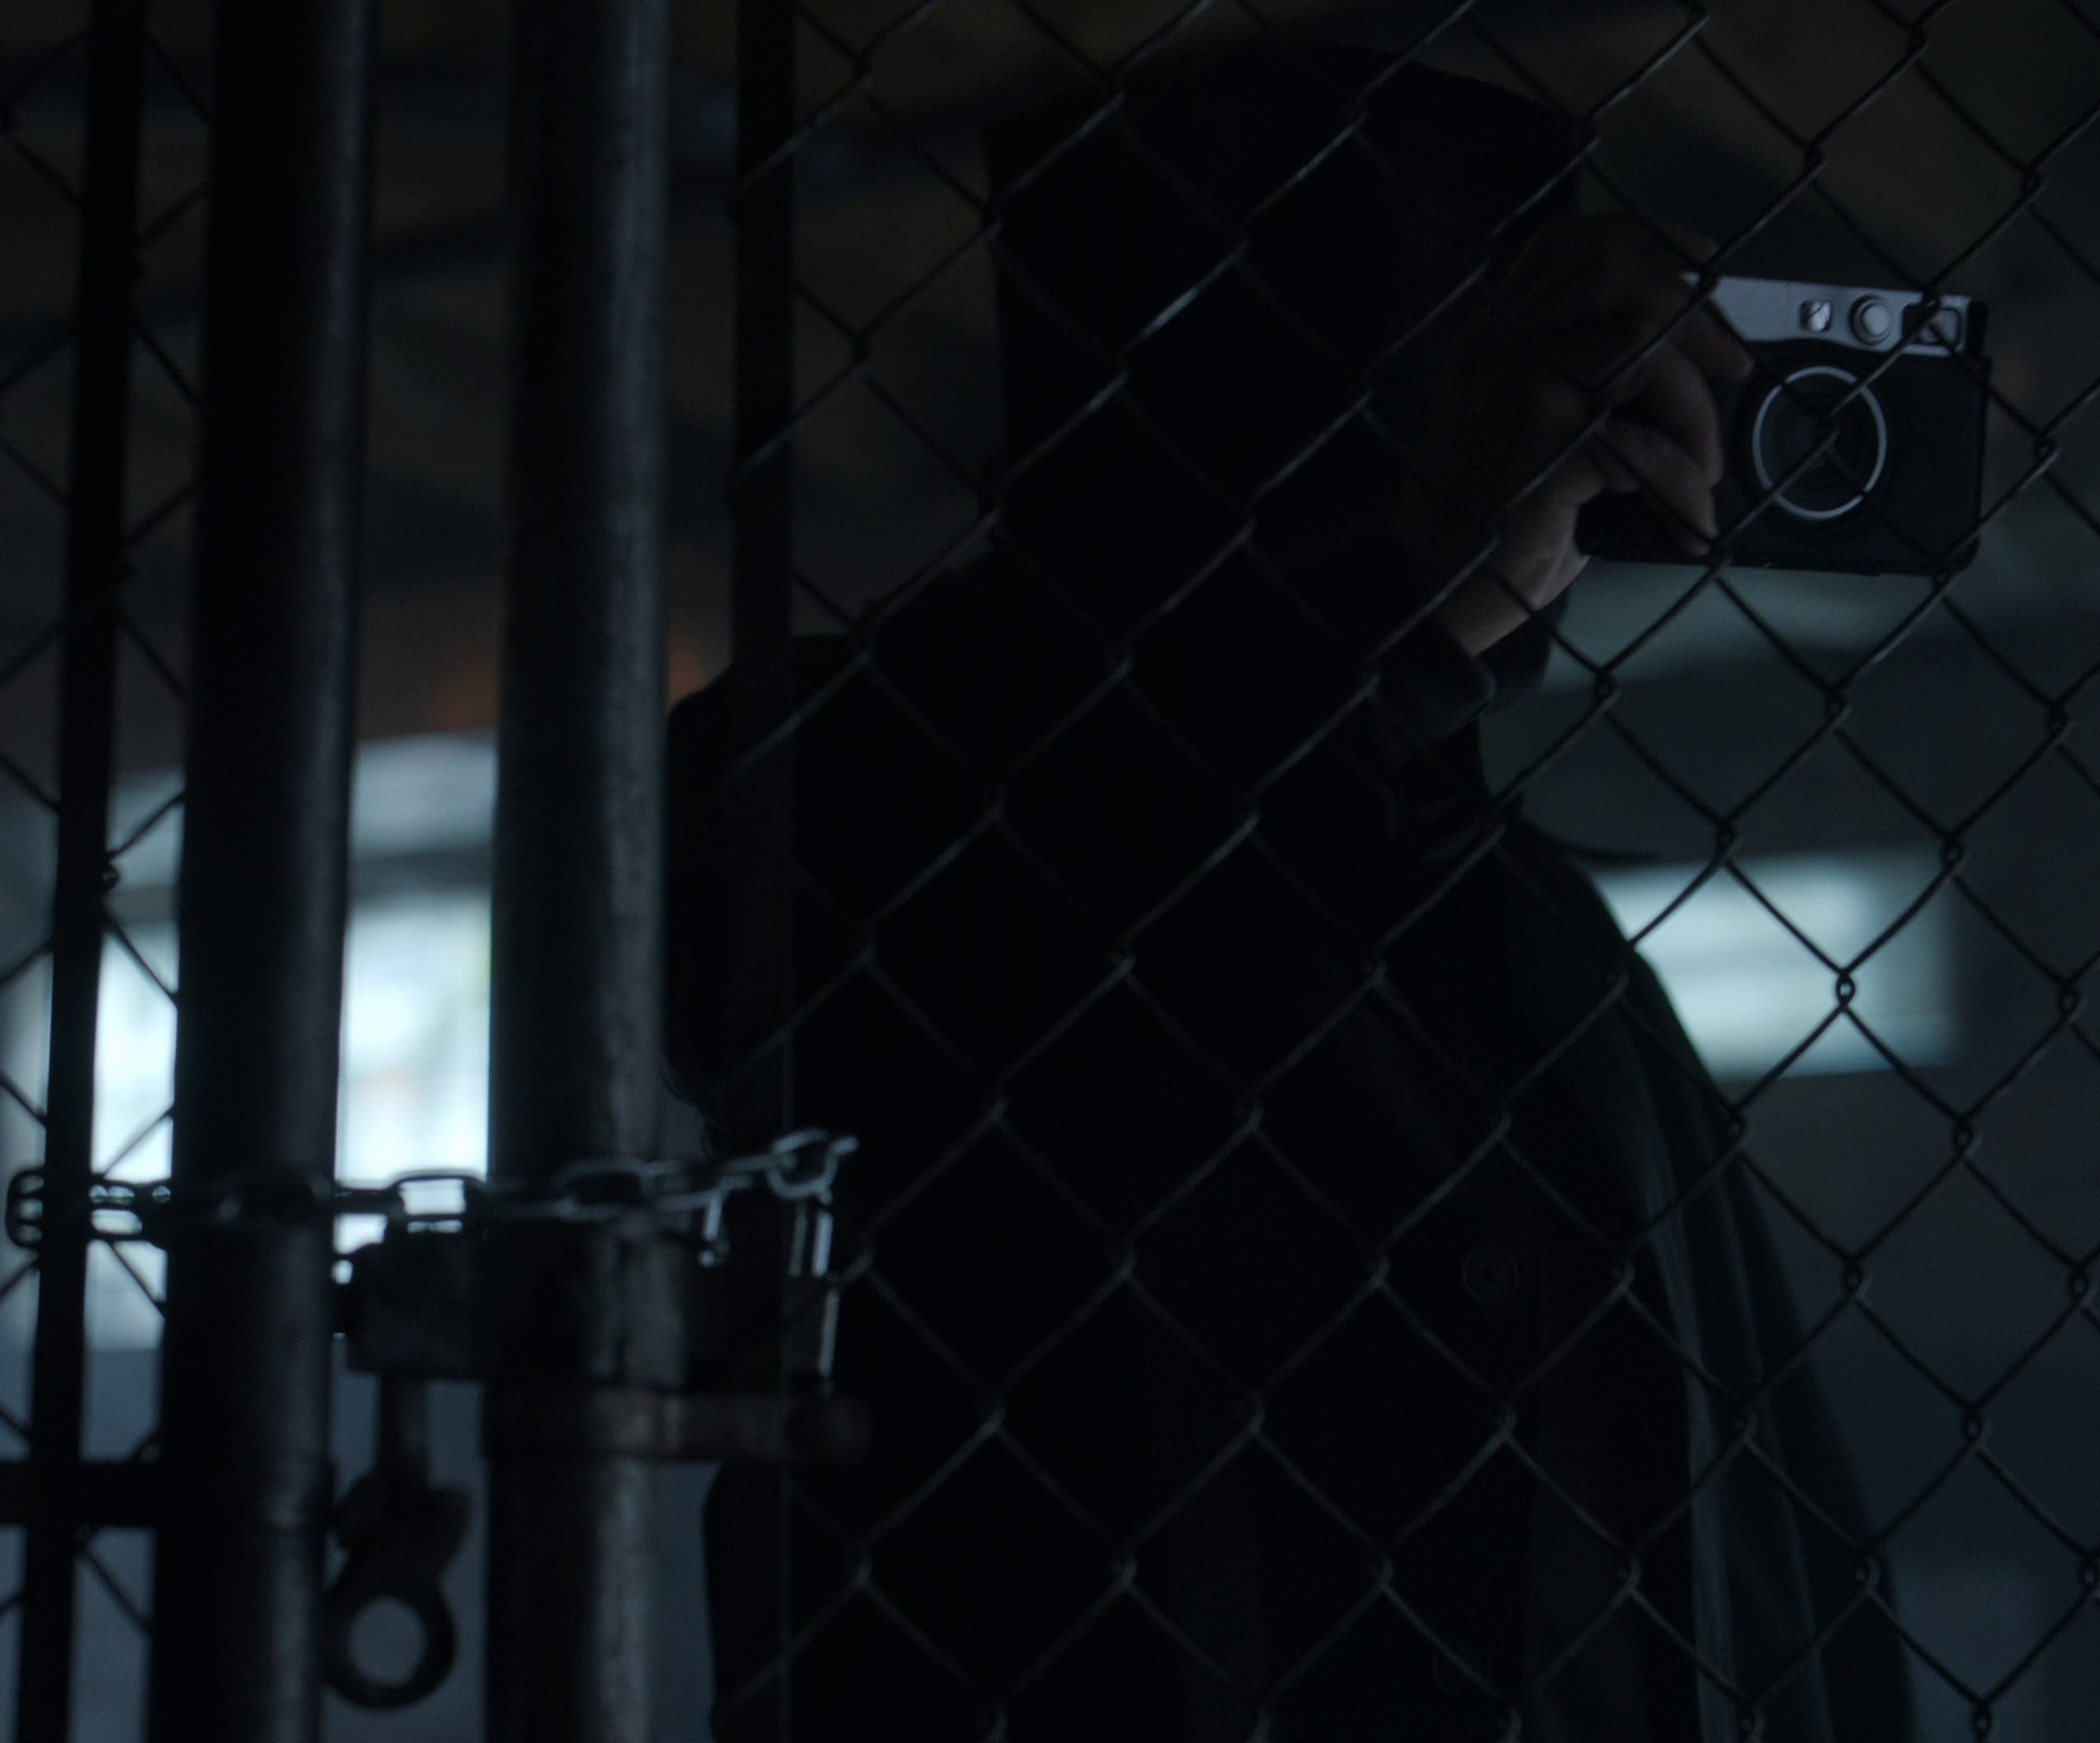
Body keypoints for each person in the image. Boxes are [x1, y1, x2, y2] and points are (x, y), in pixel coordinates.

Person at [667, 41, 1914, 1743]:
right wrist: (1410, 604)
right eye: (1467, 376)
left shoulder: (1517, 923)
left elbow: (1761, 1553)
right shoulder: (865, 777)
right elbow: (1066, 870)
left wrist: (1413, 623)